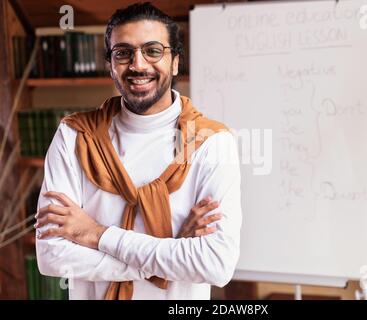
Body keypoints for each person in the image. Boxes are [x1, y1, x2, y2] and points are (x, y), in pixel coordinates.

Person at [34, 2, 242, 300]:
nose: (138, 64)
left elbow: (216, 265)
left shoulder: (212, 141)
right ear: (110, 64)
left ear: (175, 62)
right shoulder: (74, 136)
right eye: (123, 52)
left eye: (153, 50)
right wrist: (167, 255)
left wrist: (96, 234)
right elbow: (52, 256)